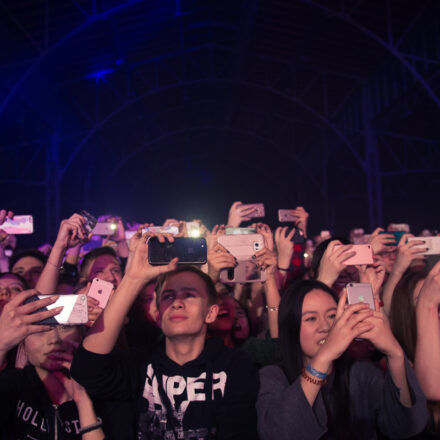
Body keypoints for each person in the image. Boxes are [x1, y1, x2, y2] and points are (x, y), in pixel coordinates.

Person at [71, 233, 259, 440]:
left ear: (211, 312)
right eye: (168, 296)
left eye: (189, 294)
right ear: (158, 314)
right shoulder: (140, 365)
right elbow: (86, 370)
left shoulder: (234, 366)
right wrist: (133, 278)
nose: (177, 303)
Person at [257, 279, 428, 440]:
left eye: (332, 316)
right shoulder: (273, 376)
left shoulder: (360, 373)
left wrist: (395, 353)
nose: (325, 327)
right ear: (291, 326)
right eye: (311, 318)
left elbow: (407, 426)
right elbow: (281, 433)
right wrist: (324, 357)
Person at [0, 290, 105, 439]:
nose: (54, 339)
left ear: (80, 334)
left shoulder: (102, 390)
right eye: (41, 329)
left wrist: (83, 402)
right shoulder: (10, 384)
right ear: (22, 343)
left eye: (64, 327)